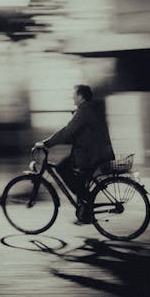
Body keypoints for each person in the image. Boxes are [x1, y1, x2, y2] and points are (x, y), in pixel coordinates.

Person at [35, 85, 115, 223]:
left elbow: (67, 132)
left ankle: (87, 204)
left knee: (62, 168)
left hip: (91, 155)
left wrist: (47, 143)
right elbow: (73, 135)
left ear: (81, 96)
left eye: (74, 95)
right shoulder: (88, 109)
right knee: (78, 179)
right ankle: (85, 212)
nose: (72, 97)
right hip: (93, 152)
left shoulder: (85, 111)